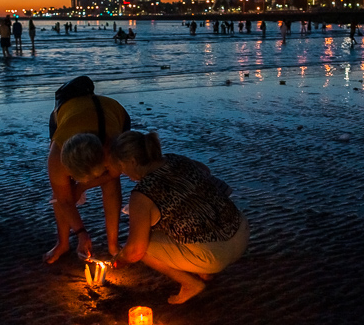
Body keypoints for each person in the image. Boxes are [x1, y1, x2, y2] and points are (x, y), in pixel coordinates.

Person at [111, 131, 249, 304]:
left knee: (142, 246)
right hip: (241, 232)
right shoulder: (177, 159)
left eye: (123, 168)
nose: (124, 174)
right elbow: (205, 170)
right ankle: (204, 272)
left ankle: (190, 284)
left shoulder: (143, 194)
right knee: (172, 219)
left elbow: (134, 252)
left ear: (132, 161)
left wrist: (119, 260)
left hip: (215, 256)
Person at [45, 76, 131, 263]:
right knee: (60, 190)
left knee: (111, 185)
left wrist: (82, 187)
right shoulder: (56, 155)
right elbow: (65, 200)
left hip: (112, 112)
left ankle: (113, 245)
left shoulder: (113, 146)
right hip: (68, 111)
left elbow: (115, 173)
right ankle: (62, 243)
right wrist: (82, 234)